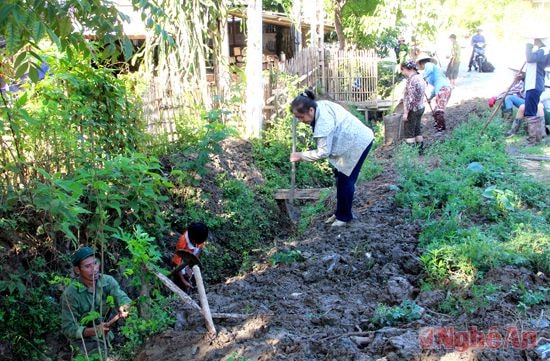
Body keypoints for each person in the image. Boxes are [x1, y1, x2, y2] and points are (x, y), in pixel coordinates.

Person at [289, 90, 374, 228]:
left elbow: (323, 152)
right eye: (297, 118)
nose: (300, 121)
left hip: (358, 143)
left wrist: (301, 155)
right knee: (340, 177)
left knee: (346, 179)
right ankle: (340, 211)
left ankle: (344, 217)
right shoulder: (319, 105)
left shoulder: (323, 122)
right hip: (349, 140)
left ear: (310, 110)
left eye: (301, 117)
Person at [60, 247, 131, 355]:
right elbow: (68, 328)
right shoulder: (70, 294)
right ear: (77, 270)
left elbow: (122, 297)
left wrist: (124, 307)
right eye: (88, 266)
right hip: (83, 341)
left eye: (95, 263)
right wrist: (93, 330)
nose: (94, 269)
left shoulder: (107, 281)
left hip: (107, 336)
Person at [523, 35, 549, 144]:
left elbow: (530, 58)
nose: (534, 41)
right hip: (532, 84)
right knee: (532, 111)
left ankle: (532, 141)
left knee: (530, 112)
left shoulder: (544, 50)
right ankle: (536, 139)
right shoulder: (541, 51)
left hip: (534, 85)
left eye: (535, 39)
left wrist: (528, 45)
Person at [417, 53, 452, 132]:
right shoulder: (431, 73)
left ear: (421, 63)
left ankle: (441, 128)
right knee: (436, 109)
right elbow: (435, 87)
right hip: (441, 88)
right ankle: (438, 124)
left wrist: (423, 78)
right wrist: (430, 97)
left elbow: (429, 70)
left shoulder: (428, 65)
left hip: (443, 88)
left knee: (439, 110)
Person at [171, 222, 208, 292]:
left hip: (189, 262)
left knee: (194, 282)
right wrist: (184, 281)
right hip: (180, 266)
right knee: (181, 286)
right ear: (193, 239)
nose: (199, 244)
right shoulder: (182, 243)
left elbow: (199, 249)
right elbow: (177, 264)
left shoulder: (199, 236)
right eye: (197, 243)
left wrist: (191, 266)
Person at [400, 59, 426, 150]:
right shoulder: (420, 77)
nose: (403, 73)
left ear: (407, 69)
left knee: (409, 132)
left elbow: (410, 99)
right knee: (417, 130)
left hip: (413, 109)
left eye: (403, 70)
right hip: (421, 107)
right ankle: (420, 150)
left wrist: (406, 113)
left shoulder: (412, 80)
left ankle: (411, 154)